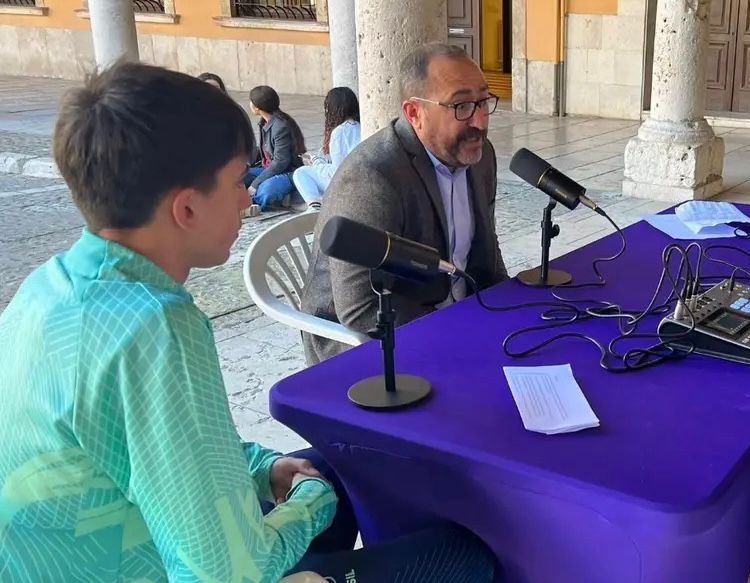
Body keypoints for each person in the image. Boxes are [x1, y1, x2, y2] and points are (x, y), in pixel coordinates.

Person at [0, 62, 497, 582]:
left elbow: (154, 451)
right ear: (186, 208)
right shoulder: (154, 329)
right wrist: (310, 505)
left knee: (333, 467)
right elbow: (229, 570)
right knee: (462, 556)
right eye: (240, 180)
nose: (248, 197)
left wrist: (262, 471)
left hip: (112, 543)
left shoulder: (48, 287)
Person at [301, 43, 509, 365]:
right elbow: (360, 309)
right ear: (415, 113)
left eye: (483, 101)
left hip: (456, 320)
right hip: (365, 344)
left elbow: (486, 255)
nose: (480, 121)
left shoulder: (482, 156)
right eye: (462, 106)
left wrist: (512, 312)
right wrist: (453, 333)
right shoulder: (373, 176)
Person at [293, 87, 362, 211]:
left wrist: (316, 162)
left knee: (301, 173)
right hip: (359, 180)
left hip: (347, 184)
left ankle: (314, 207)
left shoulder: (340, 132)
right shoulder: (362, 125)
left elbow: (337, 171)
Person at [247, 85, 305, 211]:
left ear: (257, 106)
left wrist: (255, 184)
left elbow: (281, 162)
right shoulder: (264, 122)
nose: (249, 104)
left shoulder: (280, 126)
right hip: (267, 169)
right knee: (239, 176)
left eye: (251, 101)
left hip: (287, 172)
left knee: (266, 190)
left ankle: (251, 204)